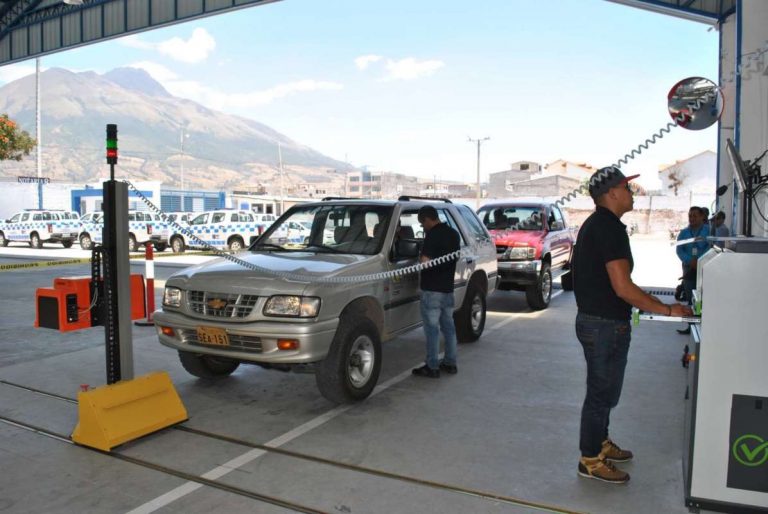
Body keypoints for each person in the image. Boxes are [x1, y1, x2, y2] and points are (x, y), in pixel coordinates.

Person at [573, 166, 692, 484]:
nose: (631, 192)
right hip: (604, 326)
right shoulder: (608, 228)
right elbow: (623, 288)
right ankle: (589, 459)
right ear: (611, 193)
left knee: (606, 393)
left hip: (600, 323)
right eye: (626, 187)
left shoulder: (598, 225)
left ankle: (599, 442)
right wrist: (668, 309)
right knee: (600, 395)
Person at [412, 205, 461, 379]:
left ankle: (432, 366)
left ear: (427, 220)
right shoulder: (454, 234)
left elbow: (425, 261)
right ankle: (450, 363)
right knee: (449, 328)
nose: (422, 227)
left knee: (432, 330)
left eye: (422, 223)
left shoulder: (432, 235)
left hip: (432, 290)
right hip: (448, 289)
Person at [675, 206, 709, 334]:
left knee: (702, 297)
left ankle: (703, 327)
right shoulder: (684, 233)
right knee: (690, 298)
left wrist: (699, 260)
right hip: (689, 268)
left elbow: (710, 247)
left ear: (702, 217)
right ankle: (691, 327)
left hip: (704, 267)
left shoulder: (708, 231)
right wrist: (690, 260)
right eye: (690, 216)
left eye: (695, 215)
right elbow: (679, 250)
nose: (692, 218)